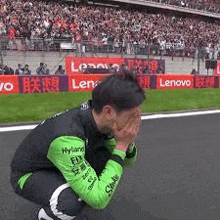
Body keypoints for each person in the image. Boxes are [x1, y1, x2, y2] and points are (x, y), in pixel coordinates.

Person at [10, 71, 146, 220]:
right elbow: (99, 200)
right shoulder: (69, 137)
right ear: (109, 112)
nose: (136, 121)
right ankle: (41, 217)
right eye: (132, 116)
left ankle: (71, 187)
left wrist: (126, 143)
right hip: (29, 174)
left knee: (108, 159)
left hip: (57, 165)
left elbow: (128, 161)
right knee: (70, 202)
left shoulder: (99, 120)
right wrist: (122, 144)